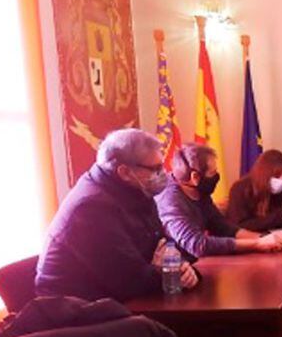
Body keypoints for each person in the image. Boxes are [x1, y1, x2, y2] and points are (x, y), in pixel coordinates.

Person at [35, 128, 199, 301]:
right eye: (155, 169)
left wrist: (183, 268)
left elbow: (164, 246)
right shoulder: (90, 208)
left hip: (117, 299)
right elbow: (130, 283)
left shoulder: (138, 190)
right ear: (125, 172)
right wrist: (167, 272)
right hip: (75, 310)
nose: (163, 175)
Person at [157, 143, 282, 257]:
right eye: (212, 173)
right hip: (174, 273)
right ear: (195, 177)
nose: (216, 176)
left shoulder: (199, 191)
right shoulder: (170, 201)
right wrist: (257, 244)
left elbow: (222, 227)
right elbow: (198, 245)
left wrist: (263, 238)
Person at [225, 149, 282, 231]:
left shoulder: (281, 192)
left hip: (278, 240)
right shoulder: (240, 189)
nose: (281, 181)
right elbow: (241, 226)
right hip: (250, 241)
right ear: (264, 173)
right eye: (277, 176)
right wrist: (281, 214)